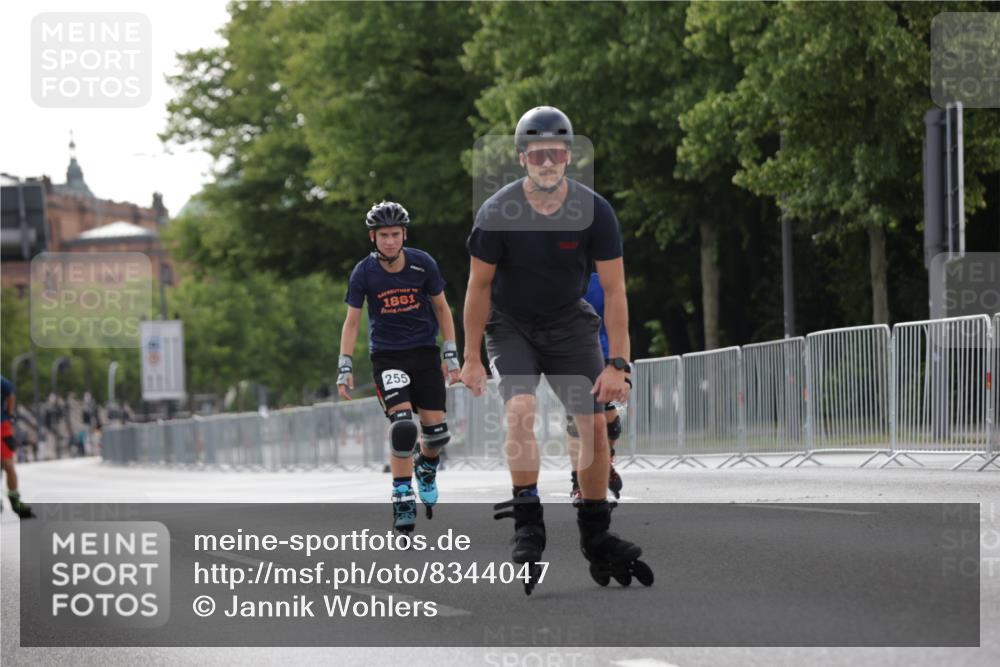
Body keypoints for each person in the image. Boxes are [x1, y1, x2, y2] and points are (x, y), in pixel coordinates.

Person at [461, 106, 652, 592]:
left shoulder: (595, 211)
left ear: (568, 157)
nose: (547, 162)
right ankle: (528, 521)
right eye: (537, 154)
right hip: (511, 324)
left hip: (568, 322)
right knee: (520, 408)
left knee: (594, 423)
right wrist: (471, 357)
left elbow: (615, 290)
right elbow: (478, 287)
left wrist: (618, 363)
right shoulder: (497, 212)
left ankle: (597, 534)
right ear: (522, 158)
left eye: (555, 153)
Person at [338, 201, 461, 533]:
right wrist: (344, 365)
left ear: (404, 234)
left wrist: (450, 352)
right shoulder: (364, 272)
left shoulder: (423, 264)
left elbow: (442, 308)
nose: (390, 241)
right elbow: (352, 322)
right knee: (403, 426)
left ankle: (426, 468)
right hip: (388, 357)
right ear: (373, 237)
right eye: (384, 235)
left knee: (437, 435)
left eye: (395, 234)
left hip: (424, 354)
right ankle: (402, 494)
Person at [567, 271, 623, 504]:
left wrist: (619, 364)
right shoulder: (557, 273)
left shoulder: (603, 276)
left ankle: (605, 461)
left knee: (610, 423)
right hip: (568, 355)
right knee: (576, 423)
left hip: (602, 355)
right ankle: (577, 483)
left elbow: (618, 320)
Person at [1, 375, 35, 518]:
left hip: (2, 426)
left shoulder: (1, 381)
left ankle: (15, 502)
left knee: (8, 465)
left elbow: (11, 394)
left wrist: (9, 414)